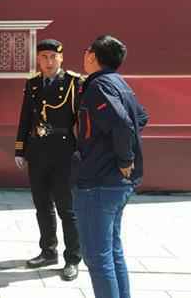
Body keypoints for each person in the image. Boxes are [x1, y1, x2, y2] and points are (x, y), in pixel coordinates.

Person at [73, 35, 148, 298]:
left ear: (93, 56)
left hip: (99, 182)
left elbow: (123, 124)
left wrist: (124, 158)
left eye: (87, 51)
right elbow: (141, 117)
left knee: (97, 257)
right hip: (115, 182)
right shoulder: (119, 83)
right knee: (112, 252)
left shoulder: (99, 86)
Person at [15, 39, 82, 281]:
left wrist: (84, 150)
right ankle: (48, 251)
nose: (49, 61)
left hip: (64, 153)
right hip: (37, 152)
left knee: (67, 208)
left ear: (61, 58)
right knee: (42, 205)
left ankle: (72, 258)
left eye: (53, 57)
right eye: (44, 57)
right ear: (38, 59)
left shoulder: (74, 83)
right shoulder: (33, 84)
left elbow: (82, 120)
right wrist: (20, 149)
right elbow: (25, 118)